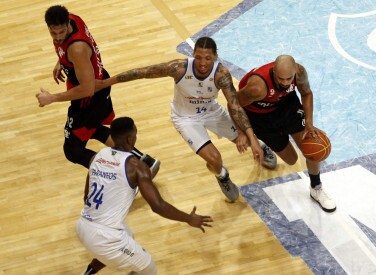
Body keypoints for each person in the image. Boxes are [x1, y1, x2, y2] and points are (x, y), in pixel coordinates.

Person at [95, 37, 277, 202]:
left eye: (207, 58)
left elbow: (235, 106)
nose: (203, 63)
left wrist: (250, 138)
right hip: (185, 118)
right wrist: (106, 83)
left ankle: (260, 145)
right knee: (215, 160)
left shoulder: (221, 74)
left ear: (215, 56)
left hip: (211, 111)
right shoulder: (179, 68)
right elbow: (144, 72)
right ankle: (222, 176)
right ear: (193, 55)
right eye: (198, 57)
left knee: (242, 137)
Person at [76, 116, 213, 274]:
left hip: (82, 227)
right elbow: (158, 206)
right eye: (136, 134)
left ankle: (89, 272)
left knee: (127, 235)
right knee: (148, 269)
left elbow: (87, 198)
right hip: (106, 239)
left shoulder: (97, 157)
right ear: (130, 138)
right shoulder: (136, 166)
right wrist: (189, 218)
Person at [35, 5, 160, 177]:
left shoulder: (76, 49)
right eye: (53, 33)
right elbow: (78, 55)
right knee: (93, 128)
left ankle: (128, 173)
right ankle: (145, 162)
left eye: (61, 32)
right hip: (96, 87)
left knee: (73, 150)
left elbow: (87, 89)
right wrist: (62, 62)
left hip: (89, 96)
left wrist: (52, 98)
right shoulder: (73, 18)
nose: (57, 37)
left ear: (67, 24)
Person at [236, 54, 336, 212]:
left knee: (312, 148)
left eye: (288, 79)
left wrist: (309, 123)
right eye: (280, 79)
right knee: (291, 159)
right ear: (274, 71)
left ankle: (316, 187)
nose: (284, 82)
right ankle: (260, 142)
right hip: (261, 117)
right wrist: (245, 135)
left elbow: (306, 93)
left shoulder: (299, 72)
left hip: (286, 105)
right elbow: (234, 105)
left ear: (294, 73)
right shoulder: (257, 88)